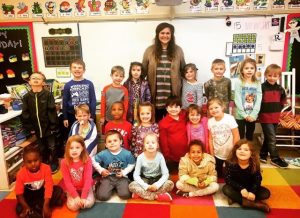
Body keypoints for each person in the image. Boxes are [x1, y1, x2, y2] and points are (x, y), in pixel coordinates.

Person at [142, 22, 186, 121]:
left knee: (171, 124)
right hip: (155, 95)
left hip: (172, 96)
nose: (165, 35)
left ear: (172, 35)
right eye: (162, 33)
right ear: (157, 34)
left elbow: (183, 70)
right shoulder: (149, 50)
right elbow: (143, 72)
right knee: (156, 124)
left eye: (168, 33)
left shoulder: (178, 50)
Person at [22, 71, 59, 173]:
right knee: (41, 147)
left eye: (39, 78)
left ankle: (54, 162)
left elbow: (52, 111)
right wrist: (30, 128)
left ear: (43, 82)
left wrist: (53, 126)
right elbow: (25, 113)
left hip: (48, 127)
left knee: (52, 146)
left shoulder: (47, 95)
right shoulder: (26, 97)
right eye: (33, 78)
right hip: (36, 128)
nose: (36, 79)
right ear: (29, 82)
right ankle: (45, 162)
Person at [15, 145, 64, 218]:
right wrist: (26, 207)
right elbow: (19, 194)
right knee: (19, 208)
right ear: (24, 163)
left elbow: (49, 187)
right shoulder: (20, 174)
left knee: (58, 190)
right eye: (29, 162)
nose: (33, 164)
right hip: (29, 199)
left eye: (35, 160)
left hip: (42, 195)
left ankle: (39, 208)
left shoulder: (46, 168)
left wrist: (46, 204)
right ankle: (33, 210)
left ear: (40, 159)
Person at [222, 139, 270, 213]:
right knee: (226, 189)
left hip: (249, 187)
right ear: (235, 151)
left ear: (251, 153)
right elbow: (228, 179)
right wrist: (241, 189)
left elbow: (257, 180)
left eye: (246, 150)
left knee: (266, 193)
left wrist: (252, 191)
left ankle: (235, 198)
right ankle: (252, 204)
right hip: (236, 188)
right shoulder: (229, 163)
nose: (242, 151)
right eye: (239, 149)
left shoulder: (254, 164)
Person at [129, 133, 174, 202]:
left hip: (157, 179)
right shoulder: (140, 157)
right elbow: (136, 175)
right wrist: (146, 186)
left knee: (170, 183)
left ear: (157, 145)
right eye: (147, 143)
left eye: (153, 142)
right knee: (131, 185)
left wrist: (157, 185)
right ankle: (156, 196)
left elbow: (165, 174)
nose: (150, 144)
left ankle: (143, 194)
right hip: (145, 179)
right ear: (144, 145)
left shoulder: (160, 156)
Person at [258, 64, 288, 168]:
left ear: (278, 77)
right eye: (269, 75)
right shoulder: (261, 87)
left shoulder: (280, 88)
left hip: (275, 116)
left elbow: (283, 100)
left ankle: (262, 155)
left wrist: (280, 111)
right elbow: (257, 101)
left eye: (275, 76)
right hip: (265, 116)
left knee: (269, 137)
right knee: (272, 138)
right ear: (265, 75)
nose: (272, 78)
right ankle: (275, 158)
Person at [92, 130, 135, 201]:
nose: (112, 143)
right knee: (102, 197)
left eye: (115, 140)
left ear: (121, 142)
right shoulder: (103, 153)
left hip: (122, 177)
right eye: (109, 141)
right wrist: (101, 170)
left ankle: (117, 187)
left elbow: (132, 164)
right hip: (108, 177)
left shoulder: (127, 154)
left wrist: (124, 172)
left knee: (126, 195)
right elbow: (93, 160)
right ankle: (100, 185)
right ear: (105, 144)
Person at [61, 135, 95, 211]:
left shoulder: (87, 160)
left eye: (77, 147)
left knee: (88, 204)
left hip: (85, 187)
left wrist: (83, 197)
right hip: (73, 189)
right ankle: (70, 195)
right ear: (67, 149)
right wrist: (75, 196)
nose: (74, 150)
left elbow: (88, 179)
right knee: (73, 207)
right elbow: (67, 182)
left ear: (82, 148)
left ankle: (91, 191)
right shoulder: (64, 162)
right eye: (71, 148)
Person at [207, 98, 240, 177]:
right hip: (217, 153)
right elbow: (210, 138)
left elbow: (236, 136)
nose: (213, 110)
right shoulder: (210, 121)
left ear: (222, 107)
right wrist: (212, 153)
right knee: (218, 172)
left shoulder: (230, 118)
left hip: (230, 152)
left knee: (231, 172)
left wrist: (234, 150)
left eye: (216, 107)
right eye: (211, 108)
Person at [63, 59, 96, 129]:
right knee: (75, 136)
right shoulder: (67, 85)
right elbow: (64, 102)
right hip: (72, 116)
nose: (77, 69)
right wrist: (65, 117)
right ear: (70, 70)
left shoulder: (89, 83)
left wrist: (92, 116)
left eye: (79, 68)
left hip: (87, 115)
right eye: (74, 67)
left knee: (87, 135)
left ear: (84, 70)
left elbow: (93, 100)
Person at [234, 58, 262, 141]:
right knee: (240, 135)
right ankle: (239, 151)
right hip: (240, 115)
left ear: (255, 70)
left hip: (252, 115)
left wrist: (253, 114)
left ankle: (249, 152)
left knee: (250, 135)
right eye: (246, 68)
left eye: (252, 68)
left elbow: (259, 99)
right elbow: (237, 98)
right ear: (242, 70)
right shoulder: (239, 82)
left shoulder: (257, 82)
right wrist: (244, 115)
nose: (249, 70)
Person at [159, 95, 188, 171]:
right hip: (172, 157)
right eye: (171, 107)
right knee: (174, 176)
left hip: (186, 154)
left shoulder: (184, 117)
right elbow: (163, 141)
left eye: (176, 107)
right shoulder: (163, 123)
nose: (173, 109)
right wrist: (166, 155)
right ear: (166, 108)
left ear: (180, 107)